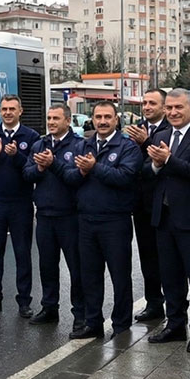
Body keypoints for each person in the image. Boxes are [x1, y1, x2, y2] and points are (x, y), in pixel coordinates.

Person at [144, 89, 190, 353]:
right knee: (170, 277)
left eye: (179, 108)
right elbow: (149, 172)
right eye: (169, 108)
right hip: (164, 218)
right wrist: (155, 165)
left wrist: (168, 161)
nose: (173, 112)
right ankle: (175, 324)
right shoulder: (161, 135)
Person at [62, 101, 142, 339]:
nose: (103, 121)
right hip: (86, 220)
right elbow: (68, 176)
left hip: (115, 221)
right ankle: (93, 322)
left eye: (108, 117)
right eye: (98, 117)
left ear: (116, 120)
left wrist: (94, 168)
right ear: (93, 119)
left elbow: (125, 177)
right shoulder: (84, 144)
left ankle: (120, 325)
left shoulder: (128, 147)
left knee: (120, 275)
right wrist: (82, 172)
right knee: (90, 275)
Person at [0, 95, 39, 317]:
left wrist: (17, 156)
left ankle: (24, 302)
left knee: (23, 253)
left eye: (12, 109)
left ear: (20, 111)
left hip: (21, 202)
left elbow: (34, 167)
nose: (8, 112)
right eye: (4, 109)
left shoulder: (30, 136)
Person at [22, 103, 85, 331]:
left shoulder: (78, 145)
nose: (51, 122)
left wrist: (53, 164)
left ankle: (80, 313)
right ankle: (49, 308)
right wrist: (38, 169)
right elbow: (27, 174)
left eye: (56, 118)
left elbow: (75, 177)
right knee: (47, 266)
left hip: (70, 216)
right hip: (45, 216)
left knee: (76, 268)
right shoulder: (40, 144)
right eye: (49, 118)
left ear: (67, 121)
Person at [123, 88, 168, 323]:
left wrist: (146, 141)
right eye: (145, 103)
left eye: (152, 103)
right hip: (140, 204)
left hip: (164, 203)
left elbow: (163, 158)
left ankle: (175, 303)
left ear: (163, 106)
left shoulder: (170, 128)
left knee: (168, 258)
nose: (147, 107)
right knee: (148, 256)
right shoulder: (136, 128)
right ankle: (153, 303)